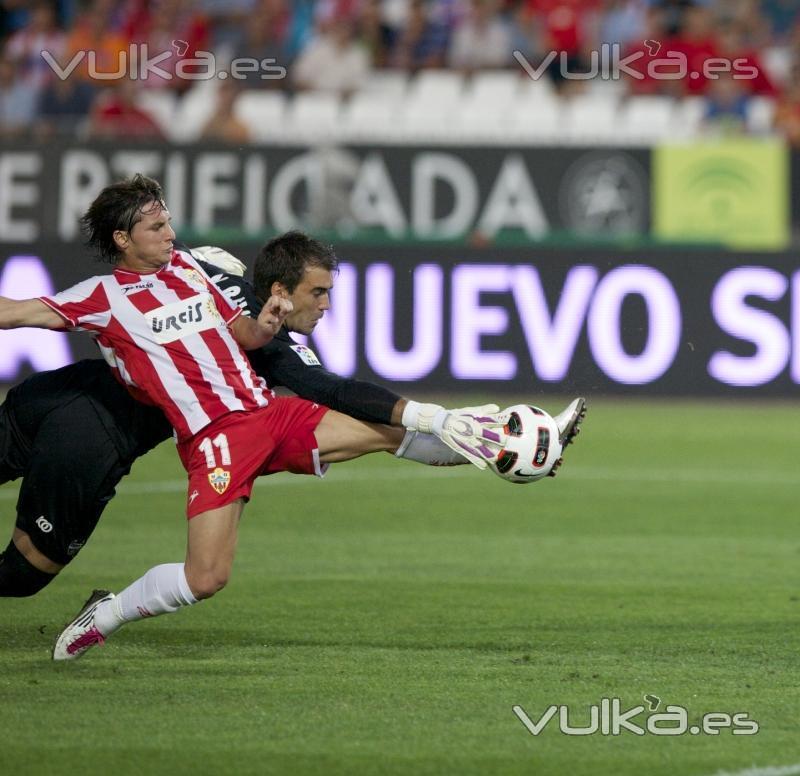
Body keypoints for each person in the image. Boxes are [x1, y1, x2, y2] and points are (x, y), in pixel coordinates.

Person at [0, 174, 535, 661]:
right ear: (122, 239)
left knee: (386, 433)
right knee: (206, 577)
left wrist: (268, 323)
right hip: (214, 438)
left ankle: (503, 444)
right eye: (156, 225)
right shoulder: (101, 298)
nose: (170, 232)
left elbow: (242, 335)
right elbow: (16, 311)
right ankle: (107, 613)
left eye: (168, 221)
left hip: (266, 413)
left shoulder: (187, 268)